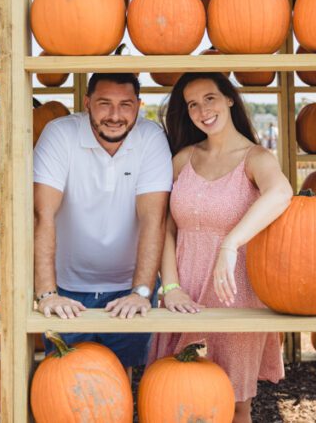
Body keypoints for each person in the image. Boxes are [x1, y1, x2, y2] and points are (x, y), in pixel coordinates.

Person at [151, 72, 293, 423]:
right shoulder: (183, 159)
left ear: (229, 98)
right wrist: (171, 288)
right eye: (193, 104)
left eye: (210, 98)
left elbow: (281, 192)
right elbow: (164, 228)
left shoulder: (255, 158)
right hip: (182, 295)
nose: (202, 110)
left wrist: (231, 243)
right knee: (174, 401)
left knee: (234, 404)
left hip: (234, 293)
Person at [33, 72, 172, 371]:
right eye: (104, 104)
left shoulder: (151, 138)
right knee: (63, 381)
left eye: (125, 105)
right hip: (66, 288)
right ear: (87, 103)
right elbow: (42, 214)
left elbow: (154, 219)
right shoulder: (60, 134)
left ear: (138, 104)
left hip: (128, 288)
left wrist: (141, 292)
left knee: (121, 380)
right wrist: (46, 293)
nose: (114, 115)